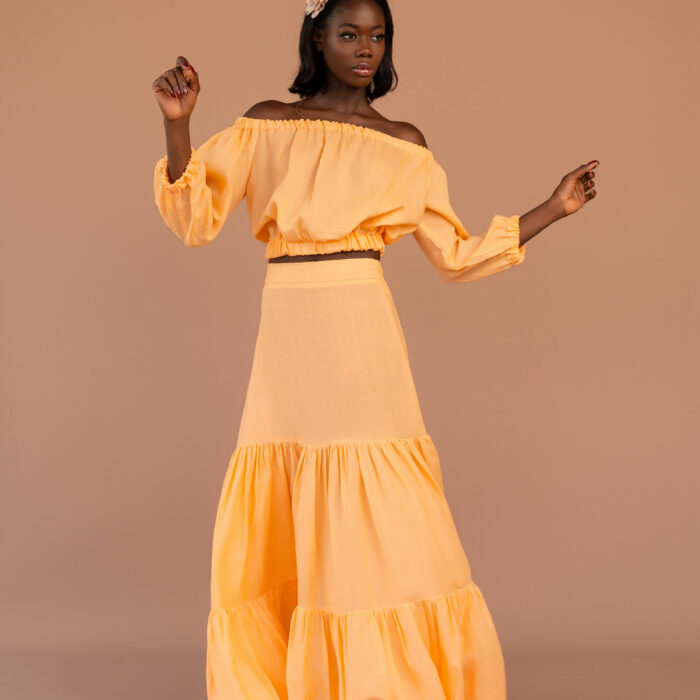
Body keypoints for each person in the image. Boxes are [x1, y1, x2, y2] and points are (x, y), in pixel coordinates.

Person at [151, 0, 598, 697]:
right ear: (317, 38)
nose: (366, 48)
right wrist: (178, 126)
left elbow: (456, 255)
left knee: (382, 507)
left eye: (378, 35)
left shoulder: (404, 143)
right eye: (349, 33)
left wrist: (553, 208)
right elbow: (193, 216)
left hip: (364, 335)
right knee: (288, 499)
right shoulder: (268, 124)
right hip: (290, 334)